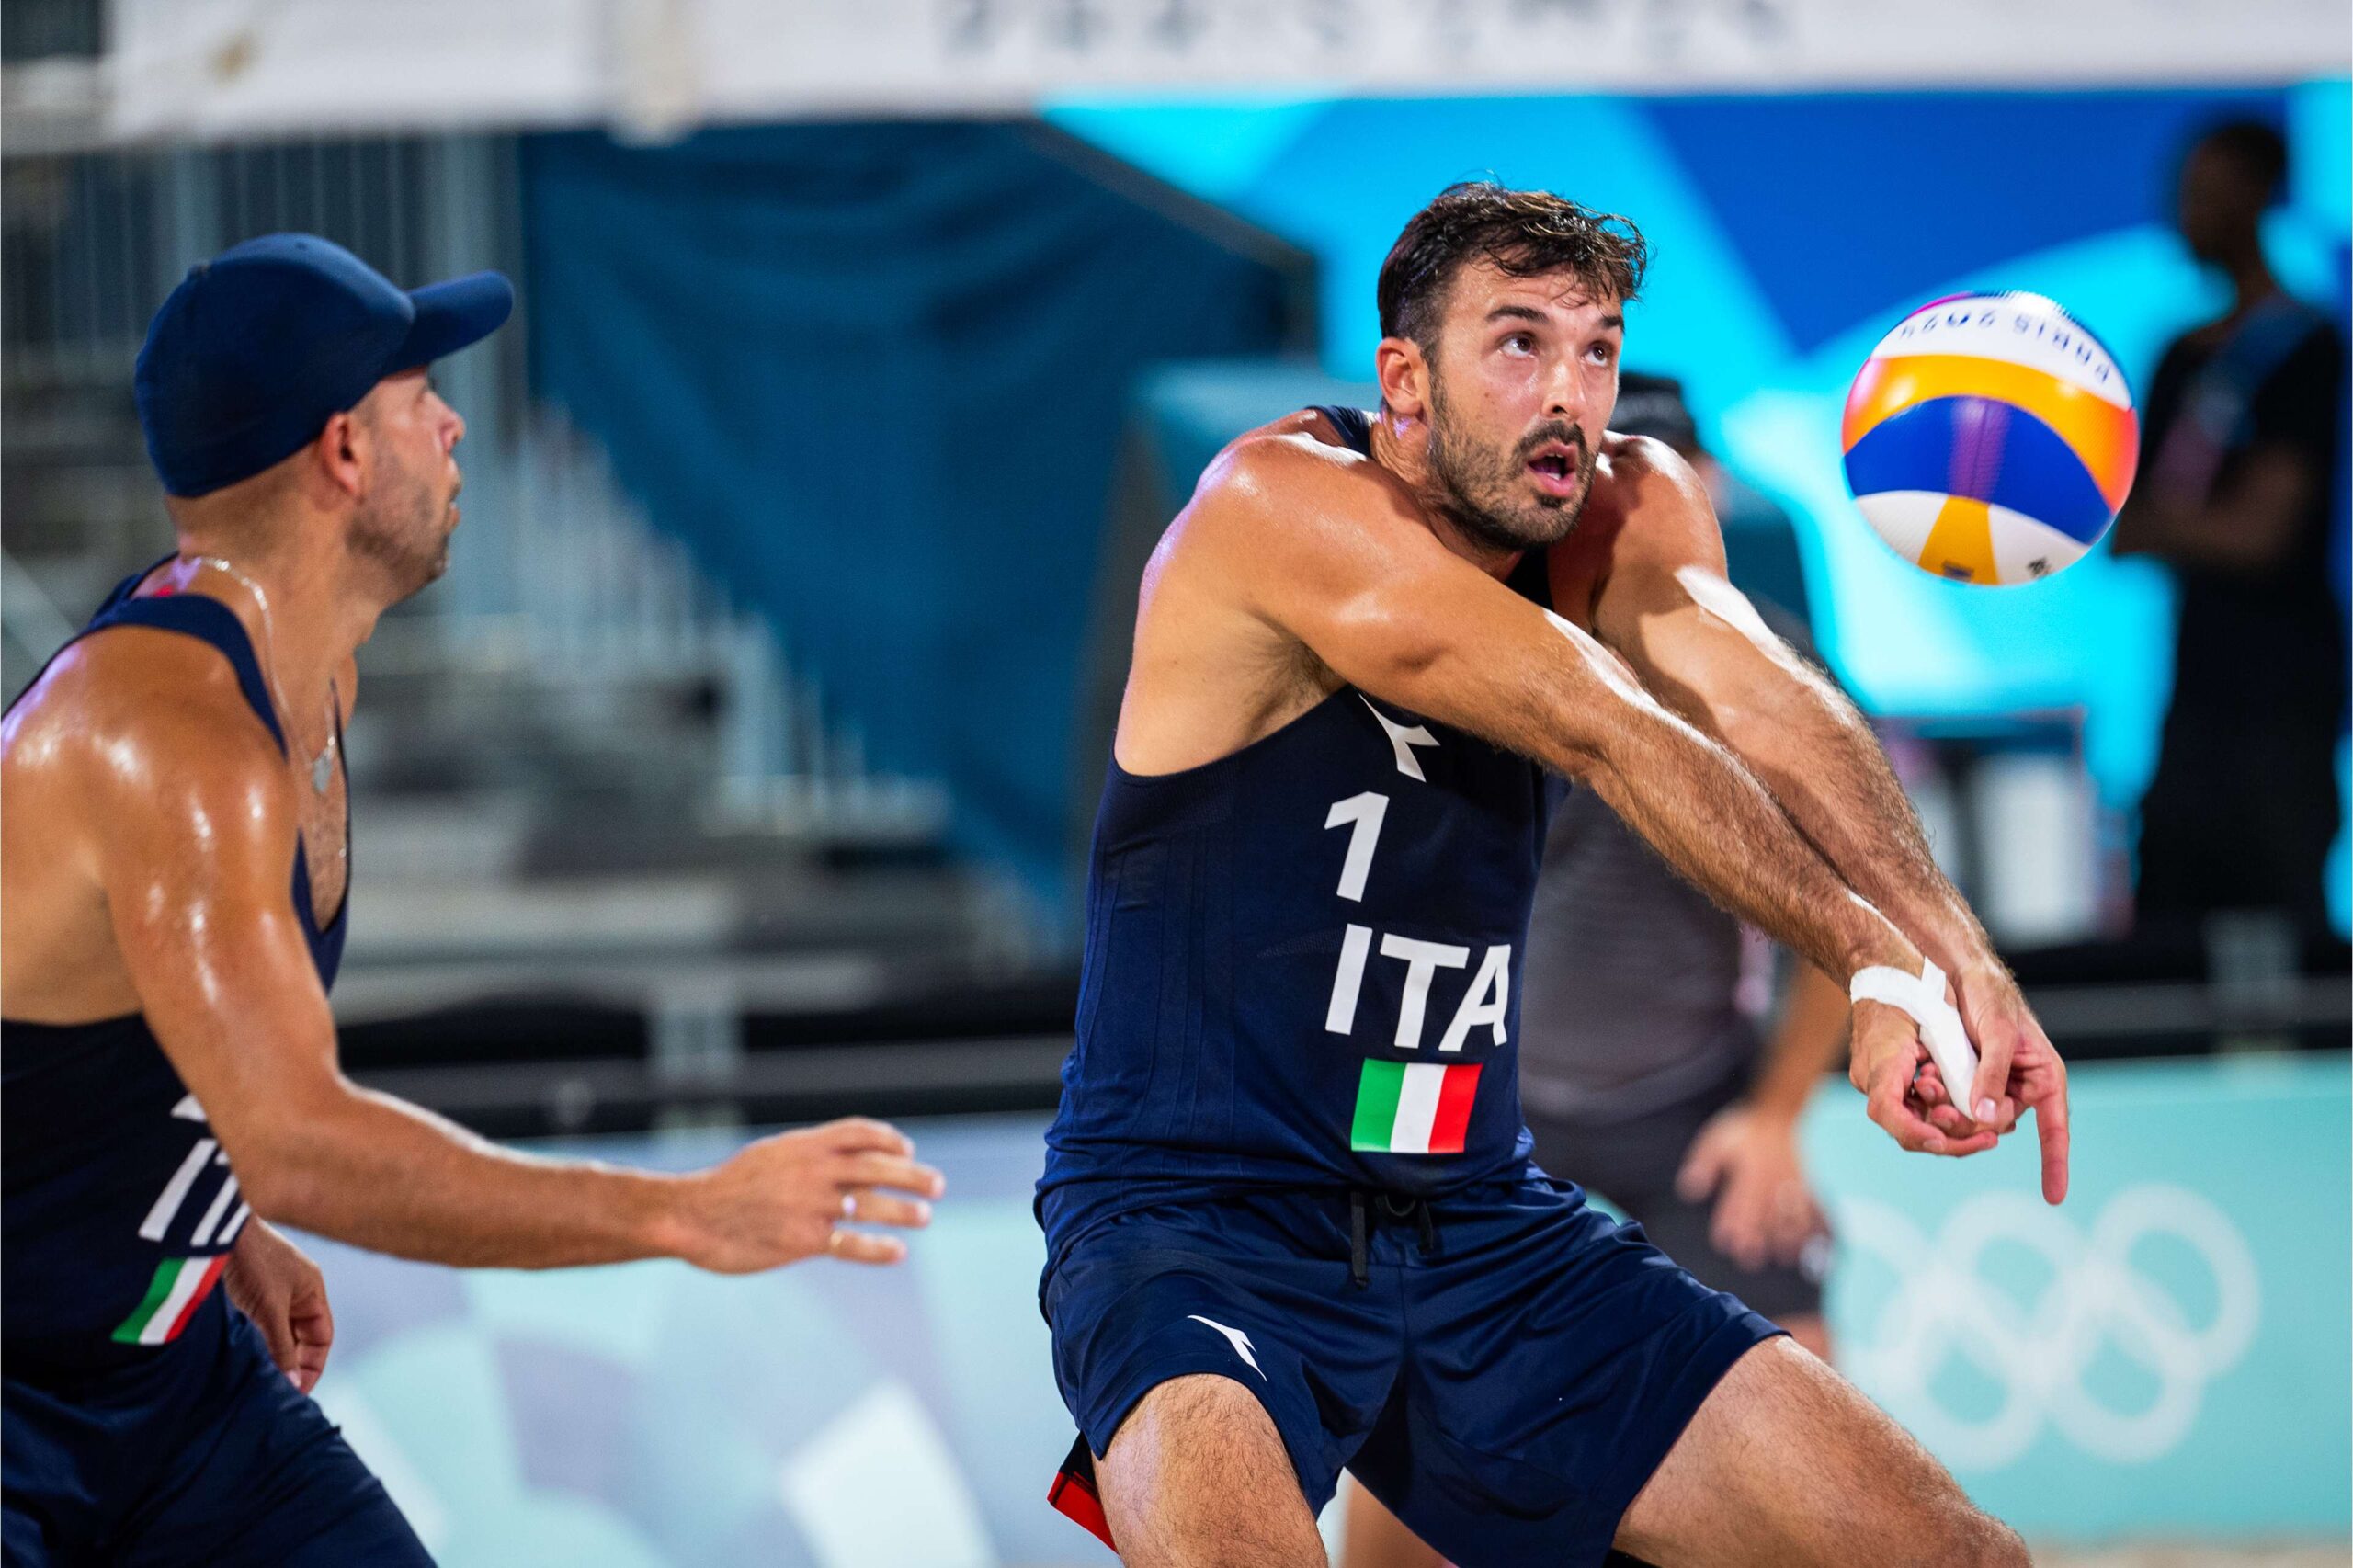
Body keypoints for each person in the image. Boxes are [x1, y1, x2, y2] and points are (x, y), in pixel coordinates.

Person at [1036, 183, 2069, 1568]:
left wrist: (1949, 958)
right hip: (1199, 1216)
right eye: (1518, 342)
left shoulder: (1628, 505)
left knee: (1961, 1555)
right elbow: (1609, 723)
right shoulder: (1274, 507)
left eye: (1597, 349)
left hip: (1476, 1219)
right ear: (1404, 378)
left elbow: (1765, 695)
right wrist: (1866, 953)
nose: (1570, 393)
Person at [0, 233, 945, 1566]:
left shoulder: (312, 677)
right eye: (417, 400)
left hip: (162, 1375)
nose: (453, 426)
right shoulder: (171, 733)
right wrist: (683, 1211)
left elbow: (109, 1039)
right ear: (341, 454)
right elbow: (304, 1141)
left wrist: (213, 1213)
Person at [1337, 381, 1850, 1568]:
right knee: (1404, 1413)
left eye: (1663, 488)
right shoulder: (1476, 655)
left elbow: (1848, 926)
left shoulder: (1774, 674)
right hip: (1487, 1098)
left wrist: (1776, 1118)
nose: (1635, 522)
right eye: (1610, 496)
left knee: (1814, 1448)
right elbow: (1382, 921)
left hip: (1691, 1101)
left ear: (1710, 495)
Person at [2112, 119, 2349, 940]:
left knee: (2286, 923)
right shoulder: (2180, 356)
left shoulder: (2305, 347)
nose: (2187, 214)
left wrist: (2172, 526)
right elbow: (2126, 529)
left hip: (2284, 692)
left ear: (2256, 197)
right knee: (2169, 916)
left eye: (2206, 195)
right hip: (2195, 691)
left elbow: (2258, 534)